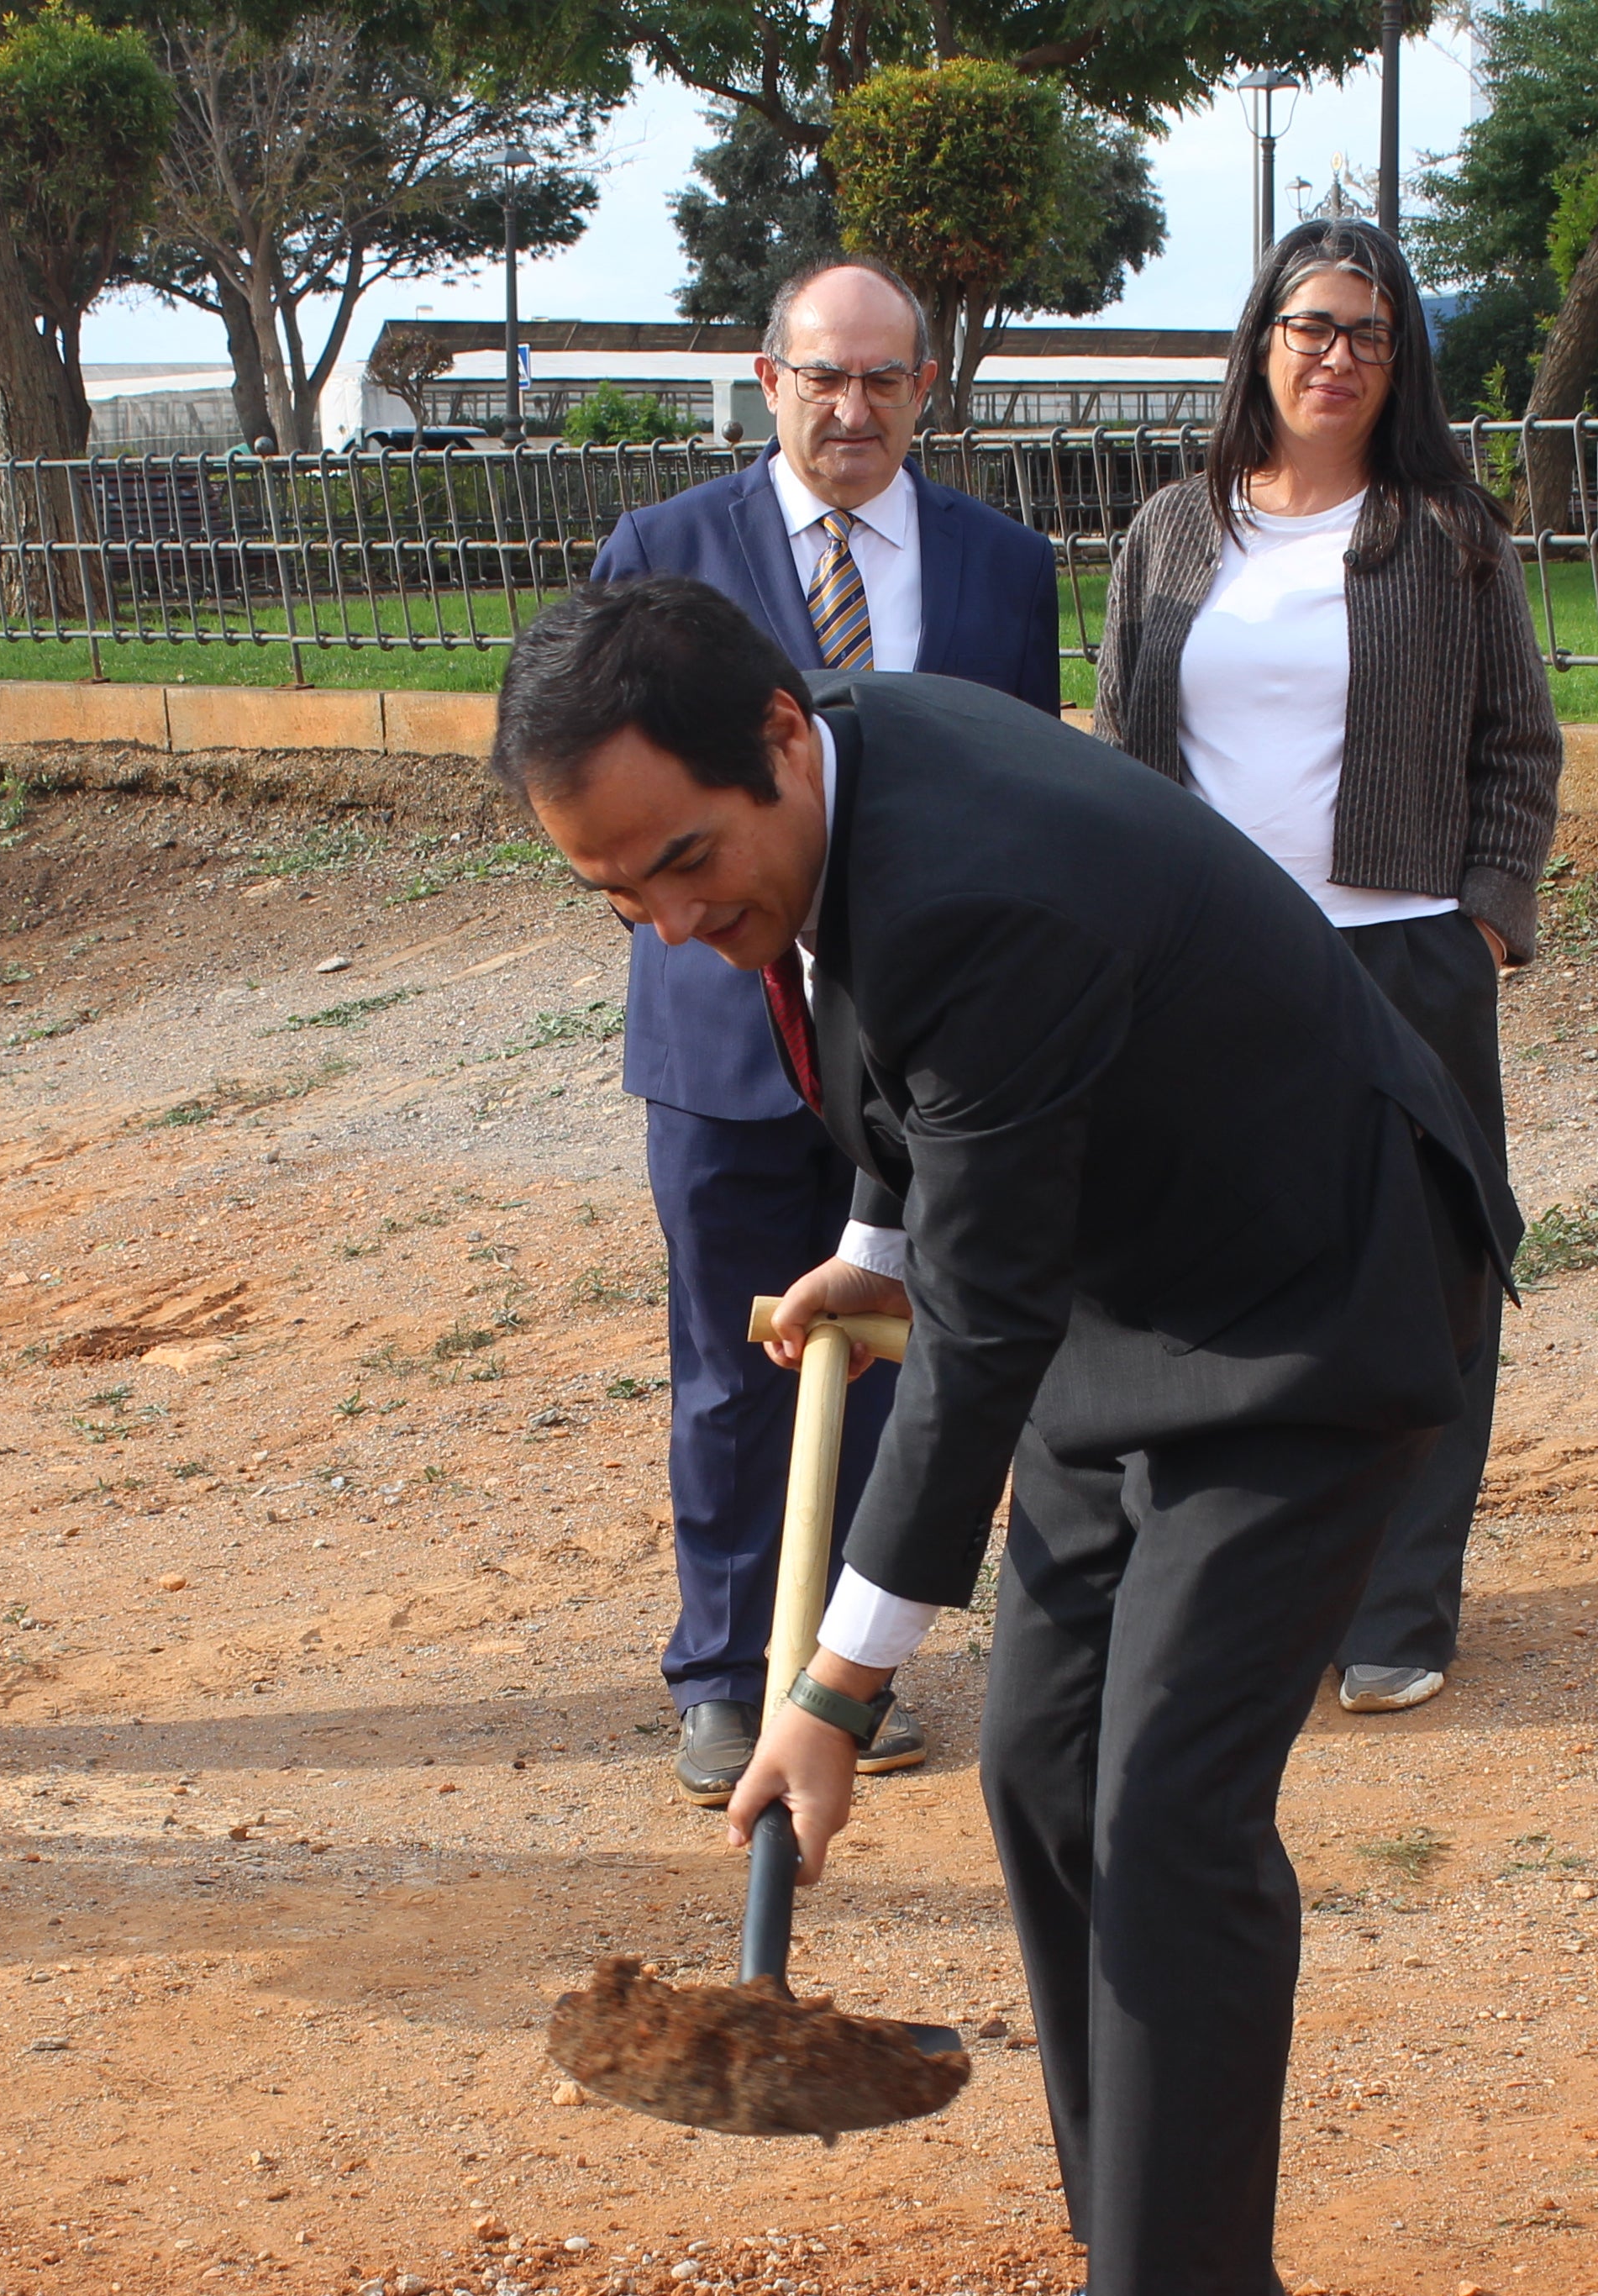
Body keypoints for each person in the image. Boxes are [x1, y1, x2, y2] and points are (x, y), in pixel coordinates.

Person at [492, 579, 1512, 2296]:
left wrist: (840, 1691)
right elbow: (916, 1086)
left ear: (782, 741)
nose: (673, 921)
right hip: (1127, 1298)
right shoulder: (836, 781)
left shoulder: (986, 882)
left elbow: (975, 1341)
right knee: (1048, 1766)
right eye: (617, 897)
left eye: (686, 863)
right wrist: (884, 1226)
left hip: (1308, 1313)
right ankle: (1164, 2270)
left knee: (1166, 1817)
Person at [585, 256, 1064, 1809]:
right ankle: (728, 1675)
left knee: (894, 1348)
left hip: (921, 1045)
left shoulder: (1002, 565)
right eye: (821, 377)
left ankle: (845, 1669)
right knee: (738, 1363)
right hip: (726, 1046)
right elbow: (596, 777)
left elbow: (1025, 793)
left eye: (883, 380)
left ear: (927, 388)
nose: (850, 409)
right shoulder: (664, 552)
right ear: (768, 376)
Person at [1092, 218, 1559, 1719]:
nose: (1338, 356)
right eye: (1312, 326)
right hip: (1210, 964)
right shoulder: (1174, 530)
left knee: (1426, 1277)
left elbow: (1518, 746)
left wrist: (1479, 919)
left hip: (1403, 958)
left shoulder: (1448, 535)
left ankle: (1401, 1601)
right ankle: (1229, 1577)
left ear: (1398, 359)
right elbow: (1117, 741)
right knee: (1212, 1265)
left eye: (1369, 332)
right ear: (1260, 343)